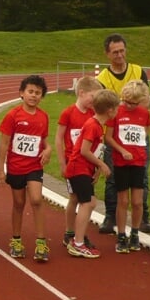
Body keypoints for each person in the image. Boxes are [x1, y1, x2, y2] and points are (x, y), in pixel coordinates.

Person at [95, 34, 150, 234]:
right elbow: (101, 106)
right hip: (114, 134)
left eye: (122, 50)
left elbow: (146, 98)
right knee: (112, 177)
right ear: (107, 54)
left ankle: (143, 215)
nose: (119, 55)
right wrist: (124, 109)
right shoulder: (102, 78)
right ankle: (110, 216)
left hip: (137, 131)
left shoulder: (137, 70)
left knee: (142, 176)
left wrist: (126, 108)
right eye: (115, 52)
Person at [0, 75, 51, 262]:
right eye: (30, 91)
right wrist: (0, 170)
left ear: (42, 95)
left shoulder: (43, 116)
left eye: (38, 93)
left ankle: (41, 242)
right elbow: (4, 144)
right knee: (19, 203)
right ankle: (16, 240)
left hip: (34, 166)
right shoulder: (13, 115)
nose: (34, 95)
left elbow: (43, 140)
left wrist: (48, 149)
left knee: (36, 199)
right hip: (16, 166)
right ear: (22, 93)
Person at [64, 89, 117, 259]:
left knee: (90, 202)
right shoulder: (92, 125)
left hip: (84, 169)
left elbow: (95, 150)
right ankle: (77, 242)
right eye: (116, 108)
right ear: (110, 110)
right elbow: (84, 151)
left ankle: (77, 239)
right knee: (87, 203)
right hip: (77, 168)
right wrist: (102, 165)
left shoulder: (97, 126)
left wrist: (95, 171)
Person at [55, 76, 101, 248]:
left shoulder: (92, 115)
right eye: (92, 97)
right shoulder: (68, 113)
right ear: (81, 93)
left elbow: (97, 142)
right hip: (72, 163)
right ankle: (70, 232)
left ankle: (80, 233)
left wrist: (97, 167)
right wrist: (62, 163)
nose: (94, 101)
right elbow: (59, 138)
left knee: (85, 200)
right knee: (75, 198)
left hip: (87, 164)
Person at [106, 80, 150, 254]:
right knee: (123, 200)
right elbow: (108, 137)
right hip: (121, 162)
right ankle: (121, 235)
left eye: (133, 103)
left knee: (138, 201)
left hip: (138, 161)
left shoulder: (144, 113)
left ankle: (135, 233)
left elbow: (147, 129)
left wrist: (138, 144)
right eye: (126, 101)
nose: (129, 105)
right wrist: (122, 150)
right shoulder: (116, 113)